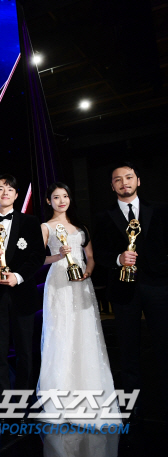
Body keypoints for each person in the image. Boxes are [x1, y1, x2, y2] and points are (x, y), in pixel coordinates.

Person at [37, 182, 119, 427]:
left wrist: (88, 272)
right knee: (61, 333)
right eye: (56, 197)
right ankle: (61, 399)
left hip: (81, 282)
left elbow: (90, 256)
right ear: (48, 201)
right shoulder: (45, 227)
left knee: (85, 333)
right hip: (59, 282)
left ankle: (89, 393)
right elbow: (38, 259)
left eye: (65, 196)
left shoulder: (81, 227)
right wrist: (59, 256)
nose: (61, 200)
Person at [93, 162, 168, 422]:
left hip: (158, 287)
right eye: (118, 179)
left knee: (164, 343)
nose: (124, 182)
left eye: (128, 177)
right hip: (123, 290)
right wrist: (118, 258)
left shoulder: (160, 209)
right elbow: (99, 253)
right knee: (127, 348)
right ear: (112, 186)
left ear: (138, 180)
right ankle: (132, 403)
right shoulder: (103, 216)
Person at [0, 175, 46, 414]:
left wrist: (18, 276)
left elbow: (38, 256)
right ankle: (4, 400)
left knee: (25, 351)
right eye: (0, 188)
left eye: (10, 189)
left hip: (22, 293)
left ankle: (24, 400)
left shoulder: (30, 222)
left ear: (17, 195)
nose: (5, 192)